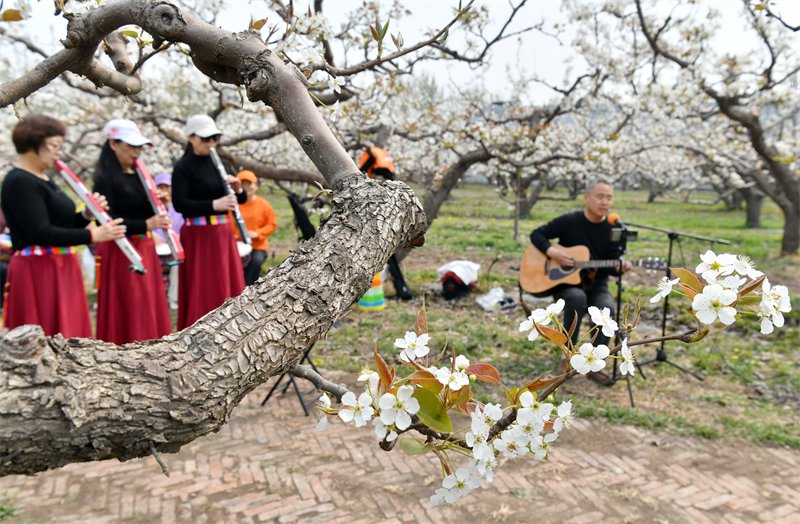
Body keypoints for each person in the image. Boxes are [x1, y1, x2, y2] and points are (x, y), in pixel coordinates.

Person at [1, 114, 126, 338]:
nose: (59, 151)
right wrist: (92, 235)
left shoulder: (45, 179)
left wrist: (87, 214)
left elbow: (64, 225)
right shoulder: (19, 181)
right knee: (45, 334)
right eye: (54, 145)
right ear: (32, 144)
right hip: (38, 269)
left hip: (60, 265)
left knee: (69, 333)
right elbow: (39, 232)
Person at [92, 119, 172, 344]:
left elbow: (143, 210)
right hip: (121, 250)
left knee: (147, 300)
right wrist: (147, 224)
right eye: (131, 146)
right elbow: (106, 221)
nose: (137, 152)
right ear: (113, 144)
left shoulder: (140, 174)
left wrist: (159, 203)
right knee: (129, 301)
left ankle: (151, 342)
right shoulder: (104, 179)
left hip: (145, 246)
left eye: (139, 147)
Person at [530, 179, 632, 350]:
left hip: (597, 285)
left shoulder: (613, 229)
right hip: (565, 283)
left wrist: (619, 268)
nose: (605, 202)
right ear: (586, 197)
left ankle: (597, 358)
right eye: (600, 196)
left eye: (609, 197)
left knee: (606, 308)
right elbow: (537, 234)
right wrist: (553, 252)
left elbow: (612, 265)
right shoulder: (570, 221)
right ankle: (568, 353)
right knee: (577, 298)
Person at [172, 114, 246, 329]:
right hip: (198, 235)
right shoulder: (183, 168)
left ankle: (230, 325)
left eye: (215, 138)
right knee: (202, 283)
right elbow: (179, 204)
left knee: (225, 280)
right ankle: (200, 326)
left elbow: (235, 201)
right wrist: (214, 205)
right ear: (191, 137)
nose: (211, 143)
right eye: (206, 138)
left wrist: (238, 191)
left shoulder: (220, 164)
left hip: (222, 233)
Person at [357, 146, 413, 300]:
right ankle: (400, 287)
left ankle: (398, 287)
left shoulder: (372, 159)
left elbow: (361, 173)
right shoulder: (382, 161)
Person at [235, 170, 277, 286]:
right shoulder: (233, 205)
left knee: (255, 262)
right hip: (236, 244)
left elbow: (272, 224)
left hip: (258, 246)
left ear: (256, 186)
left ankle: (248, 289)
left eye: (249, 184)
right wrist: (237, 236)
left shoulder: (264, 205)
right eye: (243, 184)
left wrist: (257, 233)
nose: (246, 187)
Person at [153, 172, 183, 310]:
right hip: (155, 250)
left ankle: (173, 299)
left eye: (167, 186)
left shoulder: (178, 209)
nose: (164, 190)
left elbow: (180, 231)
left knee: (178, 264)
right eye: (160, 187)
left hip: (173, 249)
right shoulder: (151, 209)